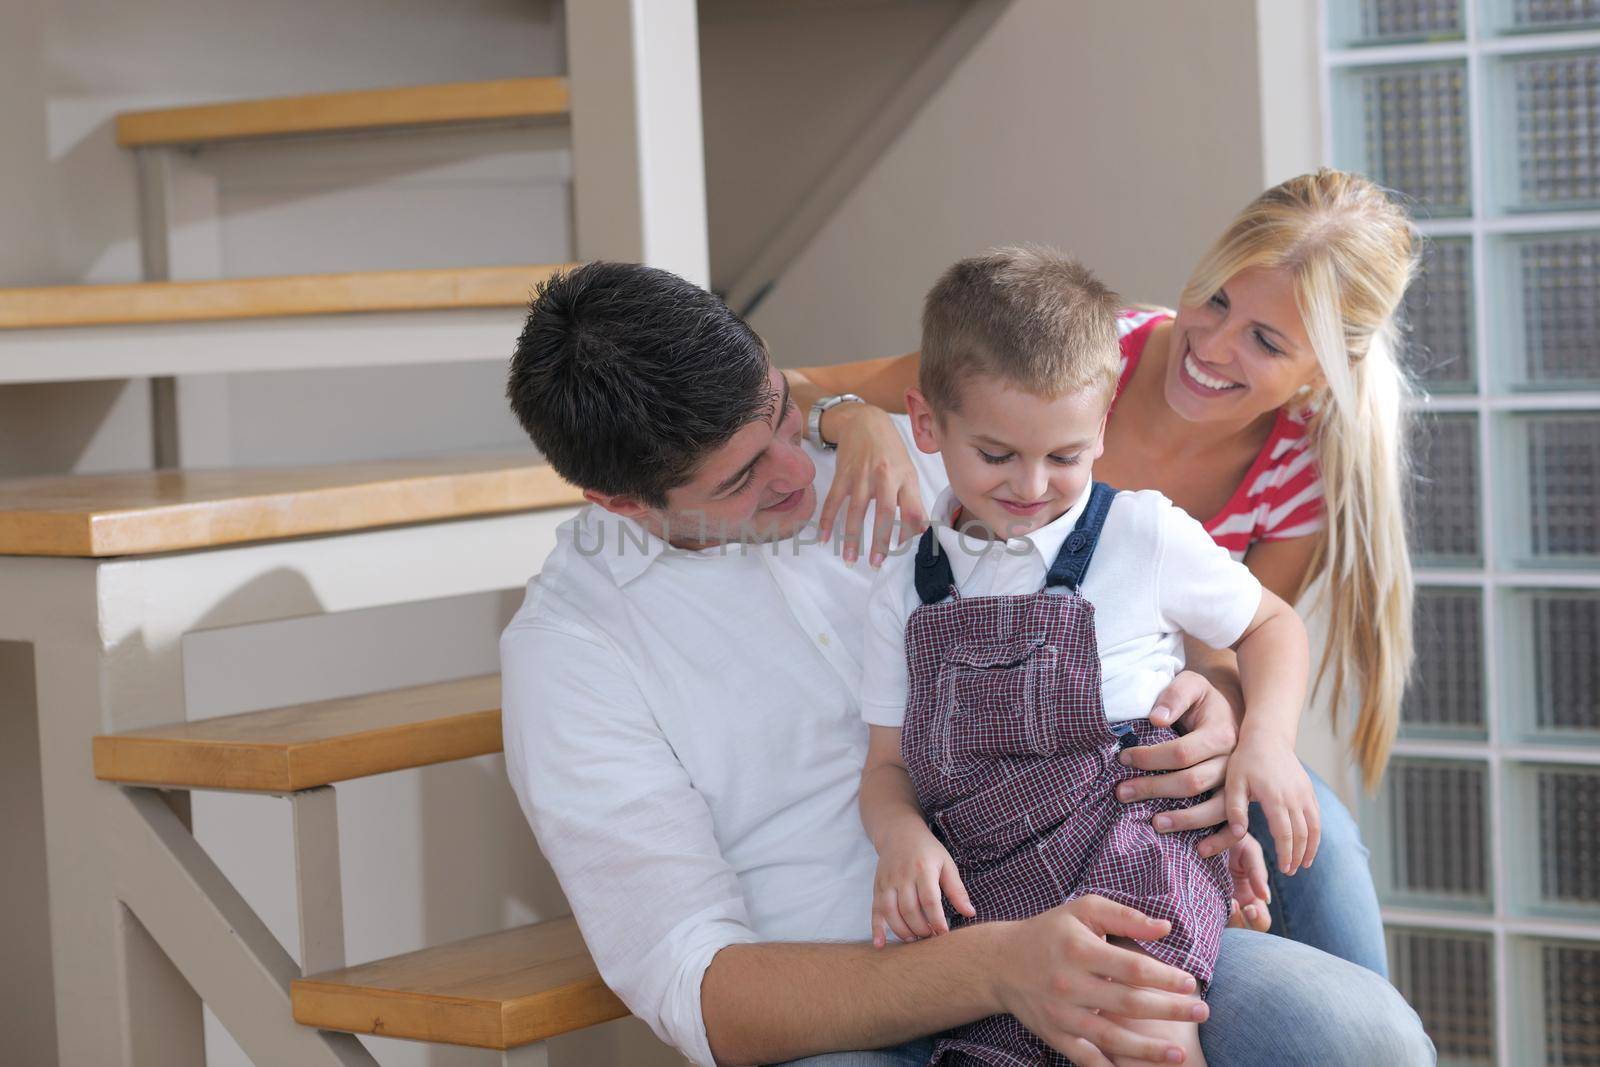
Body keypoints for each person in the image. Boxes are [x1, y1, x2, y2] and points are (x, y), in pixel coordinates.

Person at [499, 258, 1433, 1066]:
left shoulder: (935, 452)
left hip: (1087, 888)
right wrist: (998, 964)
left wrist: (1216, 704)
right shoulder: (572, 654)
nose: (795, 469)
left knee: (1363, 1037)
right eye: (742, 478)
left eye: (782, 417)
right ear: (618, 502)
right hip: (858, 1003)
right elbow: (700, 987)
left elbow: (1141, 595)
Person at [791, 169, 1417, 977]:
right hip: (1015, 807)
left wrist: (1238, 719)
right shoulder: (1079, 355)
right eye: (1217, 299)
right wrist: (851, 420)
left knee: (1316, 845)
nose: (1215, 347)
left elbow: (1240, 634)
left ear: (1320, 375)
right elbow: (802, 387)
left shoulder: (1296, 473)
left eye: (1266, 341)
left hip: (1144, 757)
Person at [858, 249, 1319, 1067]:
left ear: (1101, 428)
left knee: (1141, 1036)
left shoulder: (1141, 532)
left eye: (1066, 456)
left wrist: (1267, 743)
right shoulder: (902, 587)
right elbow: (887, 766)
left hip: (1135, 848)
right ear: (928, 425)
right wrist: (901, 839)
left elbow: (1272, 625)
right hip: (989, 888)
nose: (1032, 485)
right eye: (997, 455)